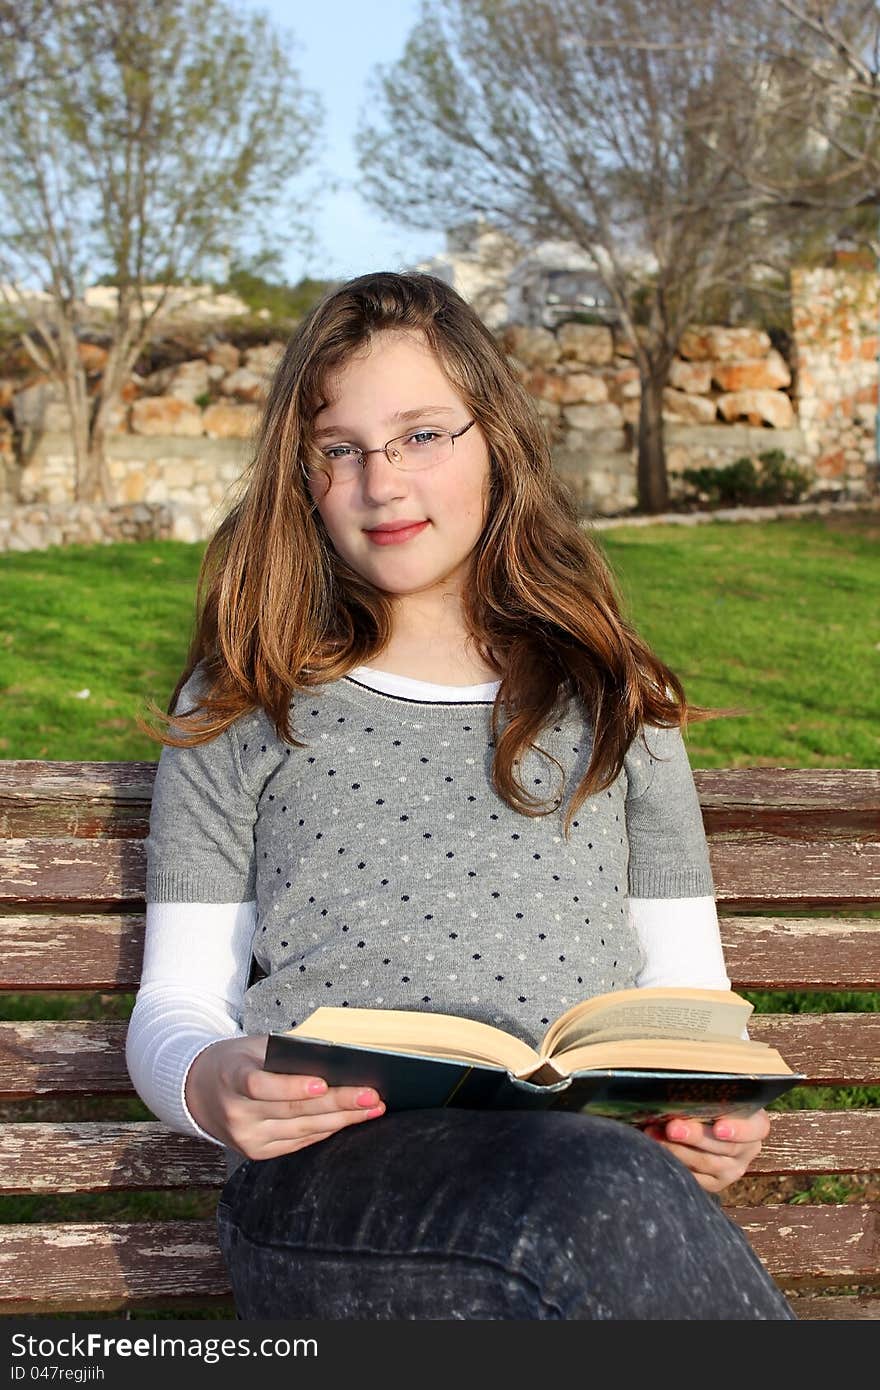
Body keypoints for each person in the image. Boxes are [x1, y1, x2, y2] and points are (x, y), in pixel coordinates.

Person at [126, 270, 794, 1321]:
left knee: (592, 1191)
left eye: (422, 436)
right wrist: (209, 1082)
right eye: (339, 449)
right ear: (301, 476)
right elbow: (173, 1004)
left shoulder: (614, 696)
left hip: (589, 1180)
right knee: (587, 1198)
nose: (381, 484)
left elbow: (689, 1013)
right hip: (336, 1186)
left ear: (497, 442)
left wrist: (708, 1112)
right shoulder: (249, 693)